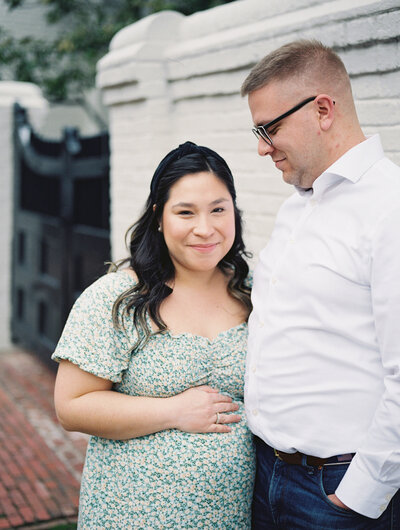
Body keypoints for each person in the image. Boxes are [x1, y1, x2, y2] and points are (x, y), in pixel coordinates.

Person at [52, 141, 255, 529]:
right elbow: (71, 405)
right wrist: (174, 411)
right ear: (160, 218)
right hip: (132, 515)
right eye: (185, 212)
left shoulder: (252, 293)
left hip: (231, 515)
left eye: (218, 209)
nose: (205, 228)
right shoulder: (119, 297)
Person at [241, 39, 400, 529]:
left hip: (334, 494)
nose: (262, 147)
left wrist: (360, 493)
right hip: (265, 474)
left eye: (270, 128)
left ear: (324, 110)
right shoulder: (297, 204)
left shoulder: (389, 209)